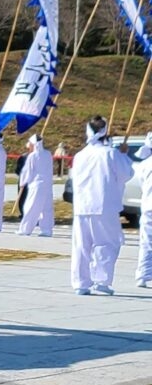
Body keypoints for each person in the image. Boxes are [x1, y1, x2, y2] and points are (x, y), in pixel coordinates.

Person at [69, 116, 133, 295]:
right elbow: (127, 173)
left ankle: (81, 283)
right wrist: (123, 155)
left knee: (82, 245)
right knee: (107, 243)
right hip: (104, 205)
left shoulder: (80, 155)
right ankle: (102, 281)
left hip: (82, 206)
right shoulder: (110, 153)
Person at [17, 134, 54, 237]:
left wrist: (23, 182)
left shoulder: (32, 156)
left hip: (37, 185)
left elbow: (28, 171)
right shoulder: (48, 154)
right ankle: (47, 229)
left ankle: (25, 229)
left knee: (31, 207)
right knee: (46, 208)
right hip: (47, 184)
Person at [135, 132, 152, 289]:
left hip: (148, 207)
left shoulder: (144, 164)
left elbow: (140, 184)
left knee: (146, 242)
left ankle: (142, 275)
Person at [15, 149, 29, 214]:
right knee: (23, 197)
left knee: (22, 198)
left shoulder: (24, 156)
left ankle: (23, 213)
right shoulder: (23, 157)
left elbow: (17, 170)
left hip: (25, 180)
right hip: (26, 180)